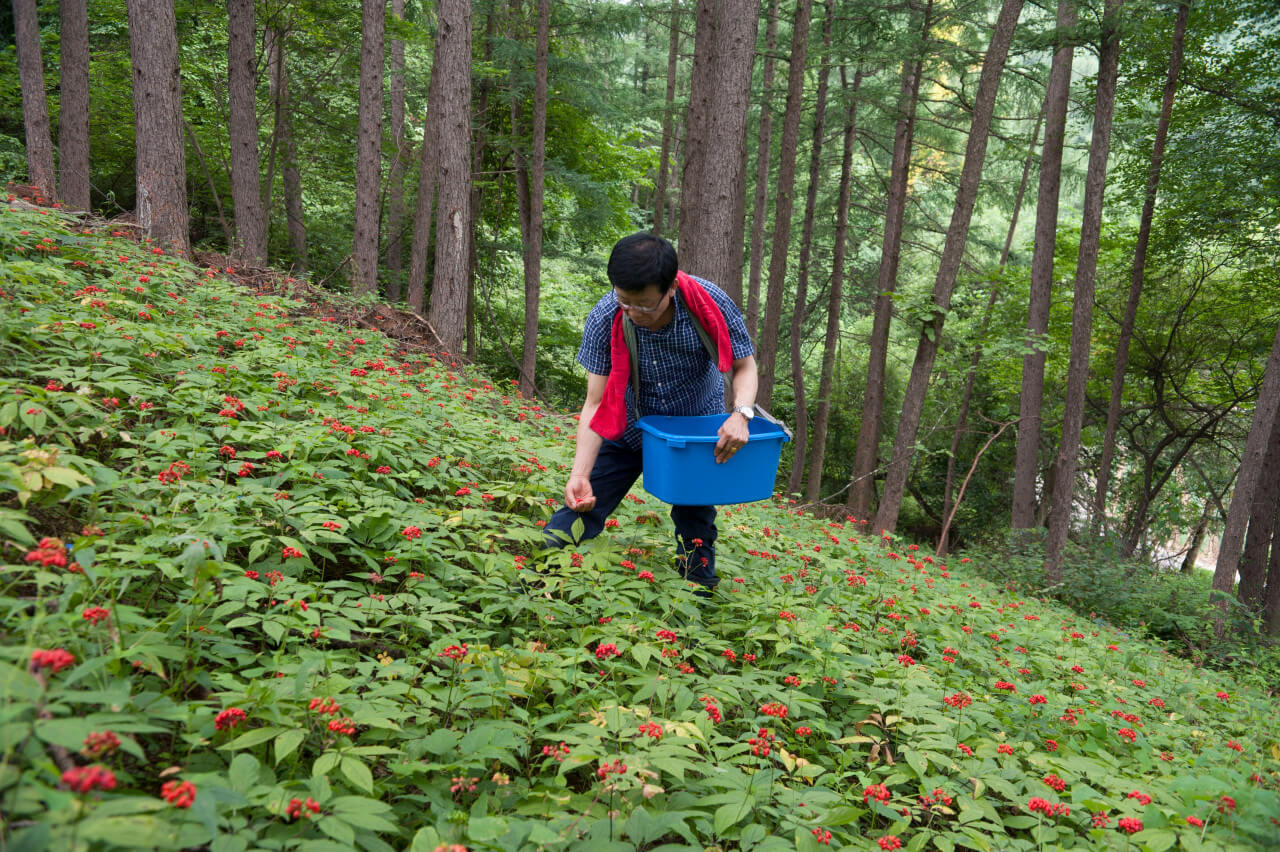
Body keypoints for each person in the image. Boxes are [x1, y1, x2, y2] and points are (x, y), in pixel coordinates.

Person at [543, 232, 759, 595]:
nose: (632, 312)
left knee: (696, 530)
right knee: (578, 509)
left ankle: (697, 606)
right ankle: (537, 578)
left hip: (690, 435)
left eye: (644, 305)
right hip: (628, 427)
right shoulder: (606, 316)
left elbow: (745, 366)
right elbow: (595, 403)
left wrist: (741, 414)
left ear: (671, 287)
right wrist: (579, 474)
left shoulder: (708, 304)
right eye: (624, 300)